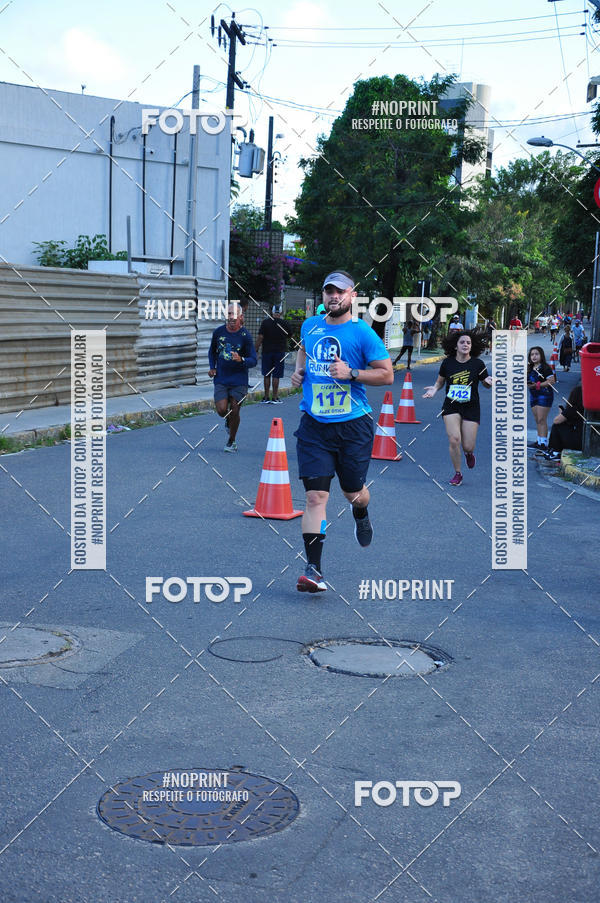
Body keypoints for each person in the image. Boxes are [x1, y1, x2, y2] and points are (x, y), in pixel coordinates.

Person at [291, 269, 393, 593]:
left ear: (353, 296)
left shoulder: (362, 333)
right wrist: (298, 370)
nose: (333, 297)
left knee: (352, 492)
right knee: (315, 496)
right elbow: (303, 349)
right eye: (328, 292)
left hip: (353, 425)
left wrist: (351, 372)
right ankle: (314, 570)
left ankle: (361, 511)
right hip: (314, 425)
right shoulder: (311, 325)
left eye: (340, 292)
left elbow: (386, 374)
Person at [422, 330, 493, 486]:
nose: (465, 345)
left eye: (468, 342)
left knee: (468, 445)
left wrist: (488, 381)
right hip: (451, 406)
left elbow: (486, 383)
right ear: (455, 346)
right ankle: (458, 473)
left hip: (471, 407)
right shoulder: (448, 363)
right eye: (462, 342)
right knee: (454, 439)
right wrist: (434, 389)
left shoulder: (477, 364)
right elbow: (440, 382)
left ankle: (468, 453)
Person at [208, 301, 257, 452]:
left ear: (241, 317)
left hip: (239, 380)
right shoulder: (218, 332)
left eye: (234, 314)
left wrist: (241, 359)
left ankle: (231, 441)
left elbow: (253, 360)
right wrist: (212, 367)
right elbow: (212, 351)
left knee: (235, 409)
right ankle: (229, 421)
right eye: (229, 314)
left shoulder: (245, 336)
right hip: (222, 378)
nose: (231, 317)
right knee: (222, 410)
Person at [256, 305, 292, 404]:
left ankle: (266, 397)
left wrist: (256, 349)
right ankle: (275, 397)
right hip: (279, 352)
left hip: (267, 352)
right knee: (276, 375)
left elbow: (260, 337)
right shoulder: (284, 323)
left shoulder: (265, 323)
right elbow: (290, 335)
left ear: (272, 312)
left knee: (267, 374)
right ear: (280, 313)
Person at [527, 346, 556, 452]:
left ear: (541, 355)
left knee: (541, 419)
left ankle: (543, 443)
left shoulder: (545, 367)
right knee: (537, 420)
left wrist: (537, 385)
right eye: (532, 354)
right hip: (533, 395)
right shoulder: (529, 368)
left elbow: (551, 381)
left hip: (545, 395)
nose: (534, 356)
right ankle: (539, 441)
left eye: (536, 354)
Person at [544, 384, 584, 461]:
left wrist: (561, 412)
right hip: (583, 440)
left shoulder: (573, 409)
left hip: (577, 442)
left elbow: (556, 421)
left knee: (557, 426)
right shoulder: (585, 408)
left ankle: (556, 451)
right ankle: (555, 451)